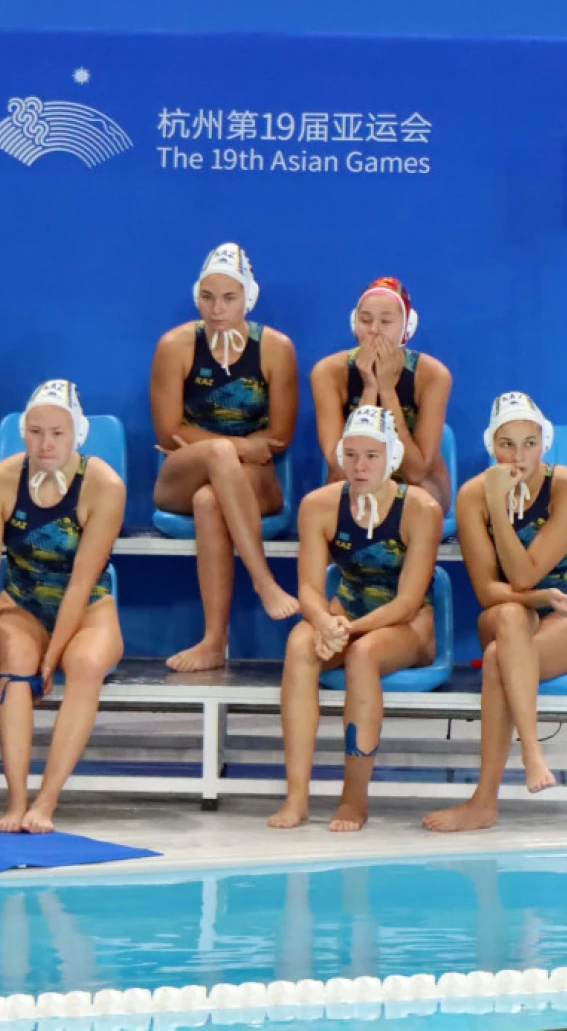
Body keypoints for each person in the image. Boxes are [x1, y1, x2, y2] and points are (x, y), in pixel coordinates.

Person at [425, 393, 567, 833]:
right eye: (507, 444)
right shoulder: (473, 496)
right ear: (492, 446)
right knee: (508, 619)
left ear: (545, 444)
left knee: (497, 660)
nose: (519, 456)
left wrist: (498, 509)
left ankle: (484, 802)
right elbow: (489, 591)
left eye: (529, 443)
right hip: (513, 610)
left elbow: (524, 574)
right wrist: (537, 599)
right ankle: (532, 752)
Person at [270, 406, 442, 833]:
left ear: (392, 457)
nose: (359, 466)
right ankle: (296, 797)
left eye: (371, 456)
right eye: (351, 455)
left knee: (363, 655)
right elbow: (309, 588)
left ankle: (353, 799)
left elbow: (407, 602)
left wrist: (346, 630)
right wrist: (323, 623)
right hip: (346, 614)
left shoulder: (421, 508)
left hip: (406, 627)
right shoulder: (319, 505)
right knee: (299, 644)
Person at [0, 380, 126, 833]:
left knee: (85, 664)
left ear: (78, 433)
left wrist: (53, 658)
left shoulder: (104, 485)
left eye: (58, 433)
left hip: (89, 607)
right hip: (22, 603)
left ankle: (47, 801)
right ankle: (16, 800)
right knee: (15, 659)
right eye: (36, 432)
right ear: (24, 431)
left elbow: (80, 583)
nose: (46, 444)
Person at [152, 243, 301, 671]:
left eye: (229, 298)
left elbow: (280, 436)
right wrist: (238, 447)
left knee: (210, 500)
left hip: (254, 479)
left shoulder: (275, 349)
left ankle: (214, 643)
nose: (217, 309)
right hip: (182, 477)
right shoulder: (176, 346)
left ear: (248, 298)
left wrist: (230, 449)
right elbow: (168, 431)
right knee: (217, 454)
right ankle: (263, 581)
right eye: (207, 297)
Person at [309, 276, 453, 514]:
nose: (374, 329)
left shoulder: (432, 375)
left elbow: (415, 471)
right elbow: (342, 468)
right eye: (365, 320)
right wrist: (370, 388)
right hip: (355, 478)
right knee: (331, 499)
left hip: (418, 482)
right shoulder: (328, 373)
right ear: (354, 323)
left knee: (417, 502)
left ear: (406, 327)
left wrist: (387, 391)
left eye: (385, 321)